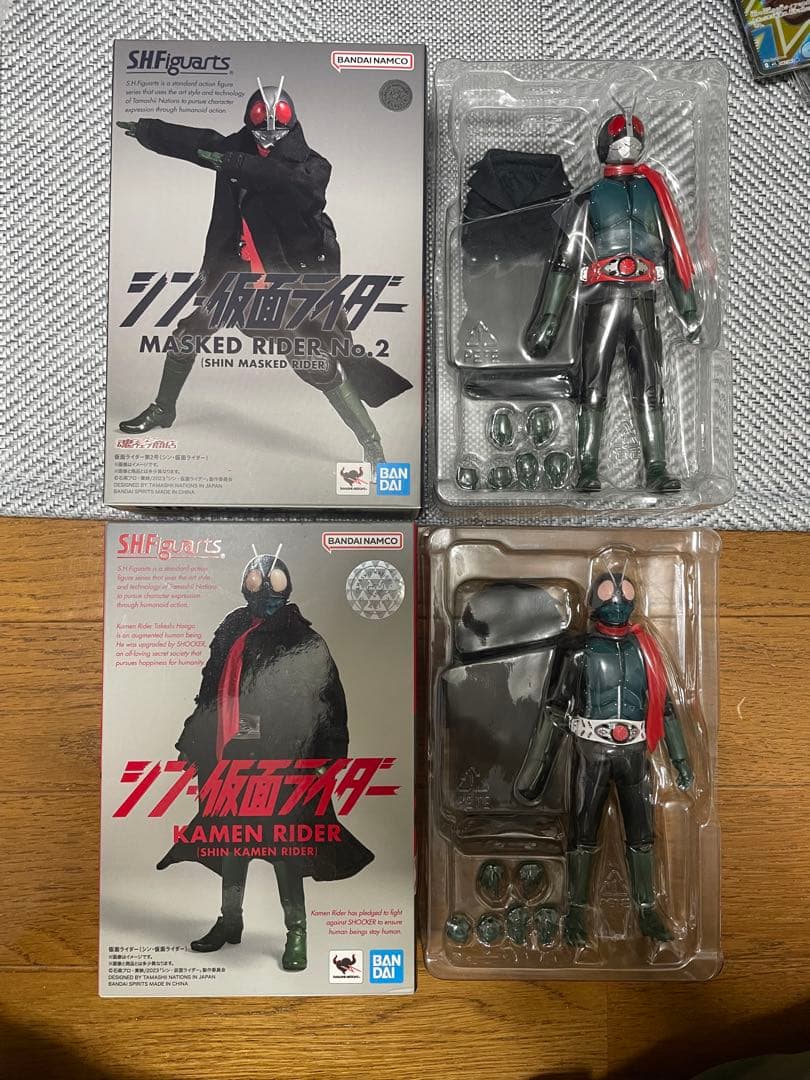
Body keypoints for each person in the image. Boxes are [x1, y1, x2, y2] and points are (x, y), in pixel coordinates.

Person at [116, 80, 411, 465]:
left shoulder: (312, 167)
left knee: (316, 364)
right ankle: (164, 409)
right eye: (261, 123)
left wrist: (232, 162)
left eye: (278, 124)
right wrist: (148, 131)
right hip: (236, 277)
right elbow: (196, 142)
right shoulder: (233, 149)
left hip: (285, 284)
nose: (269, 133)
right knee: (188, 334)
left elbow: (282, 179)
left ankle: (371, 444)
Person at [156, 548, 373, 971]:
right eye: (255, 581)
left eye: (272, 582)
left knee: (285, 849)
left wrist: (325, 757)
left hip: (279, 762)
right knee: (231, 842)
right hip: (225, 757)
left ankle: (297, 933)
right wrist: (194, 740)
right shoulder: (232, 628)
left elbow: (327, 704)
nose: (264, 590)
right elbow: (210, 691)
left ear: (286, 587)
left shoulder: (302, 639)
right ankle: (230, 921)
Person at [516, 569, 693, 946]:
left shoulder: (645, 650)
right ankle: (577, 911)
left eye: (625, 591)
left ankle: (646, 909)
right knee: (583, 832)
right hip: (590, 751)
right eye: (609, 590)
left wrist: (680, 760)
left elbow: (665, 708)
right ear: (593, 599)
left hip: (634, 753)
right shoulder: (578, 650)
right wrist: (535, 772)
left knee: (641, 833)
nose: (617, 600)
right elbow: (556, 709)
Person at [525, 111, 700, 492]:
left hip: (644, 298)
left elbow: (674, 254)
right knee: (593, 384)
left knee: (650, 383)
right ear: (605, 145)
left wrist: (688, 307)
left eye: (634, 137)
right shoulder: (589, 197)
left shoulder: (655, 193)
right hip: (601, 298)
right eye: (620, 137)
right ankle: (587, 468)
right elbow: (565, 259)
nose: (627, 143)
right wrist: (550, 316)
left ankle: (656, 467)